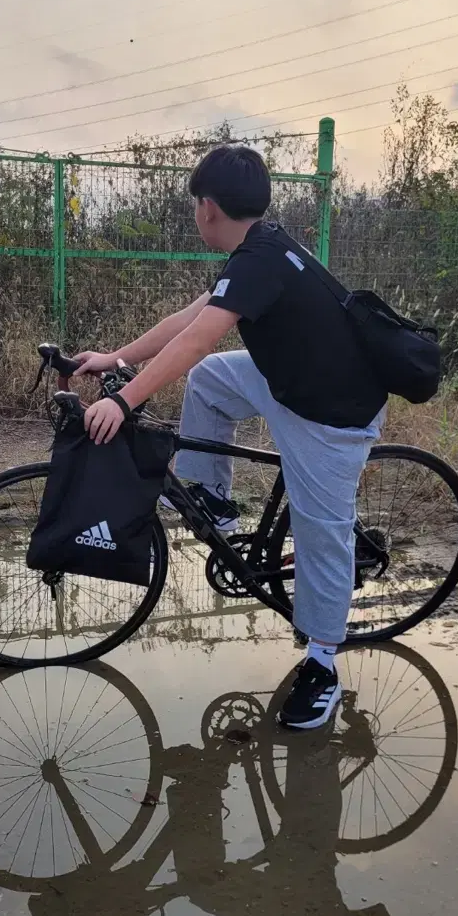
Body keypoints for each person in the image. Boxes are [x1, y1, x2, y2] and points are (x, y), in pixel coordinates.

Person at [73, 145, 387, 730]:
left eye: (196, 203)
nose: (197, 212)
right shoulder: (257, 249)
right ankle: (214, 499)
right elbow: (188, 326)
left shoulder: (259, 259)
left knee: (322, 532)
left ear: (208, 208)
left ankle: (322, 664)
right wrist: (112, 358)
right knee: (213, 379)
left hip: (331, 412)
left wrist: (123, 399)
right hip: (290, 381)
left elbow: (197, 339)